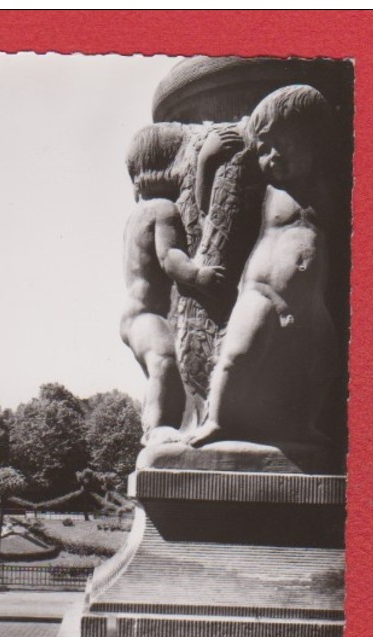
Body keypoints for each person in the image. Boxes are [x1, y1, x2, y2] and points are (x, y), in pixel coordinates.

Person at [189, 85, 338, 449]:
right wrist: (206, 163)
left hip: (310, 301)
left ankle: (303, 424)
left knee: (323, 359)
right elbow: (213, 214)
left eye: (282, 145)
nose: (271, 157)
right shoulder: (270, 192)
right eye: (263, 150)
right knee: (238, 354)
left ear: (314, 141)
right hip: (262, 292)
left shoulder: (331, 187)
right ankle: (217, 419)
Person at [120, 123, 235, 444]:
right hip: (148, 317)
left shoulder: (138, 213)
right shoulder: (164, 209)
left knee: (163, 370)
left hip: (136, 315)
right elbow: (170, 256)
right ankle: (155, 428)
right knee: (165, 363)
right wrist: (199, 276)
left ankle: (161, 421)